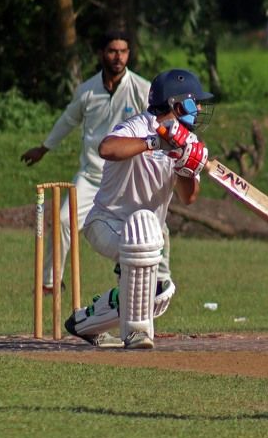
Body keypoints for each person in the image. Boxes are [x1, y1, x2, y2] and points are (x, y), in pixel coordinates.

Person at [65, 69, 212, 349]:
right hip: (105, 222)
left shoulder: (188, 142)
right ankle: (135, 332)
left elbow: (188, 197)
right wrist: (155, 143)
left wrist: (185, 166)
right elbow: (107, 148)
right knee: (141, 245)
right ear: (176, 104)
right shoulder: (138, 126)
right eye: (196, 102)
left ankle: (85, 322)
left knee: (160, 292)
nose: (201, 109)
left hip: (150, 234)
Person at [20, 30, 171, 297]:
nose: (118, 57)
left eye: (123, 51)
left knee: (154, 226)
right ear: (102, 53)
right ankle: (50, 281)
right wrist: (44, 148)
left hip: (127, 177)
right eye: (112, 51)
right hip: (91, 175)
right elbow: (68, 119)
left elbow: (159, 122)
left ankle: (159, 281)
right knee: (64, 221)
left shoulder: (141, 88)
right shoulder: (87, 90)